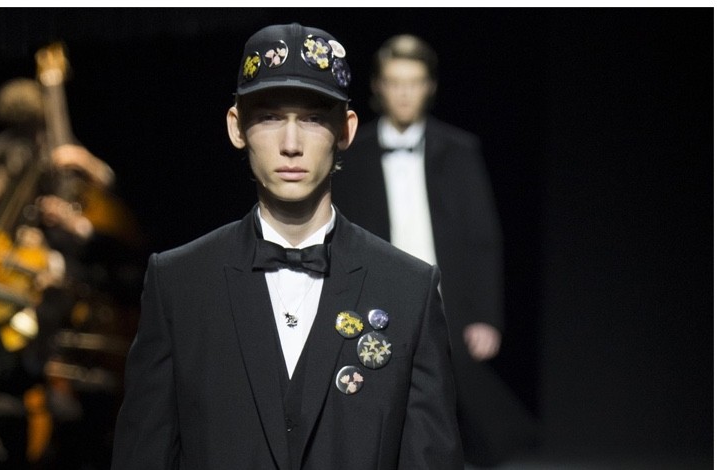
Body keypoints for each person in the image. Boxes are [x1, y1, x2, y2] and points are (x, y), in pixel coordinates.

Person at [111, 23, 461, 469]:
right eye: (270, 117)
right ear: (237, 127)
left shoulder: (408, 289)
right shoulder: (179, 284)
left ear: (345, 130)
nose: (291, 145)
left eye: (313, 119)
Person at [333, 34, 537, 466]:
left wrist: (485, 315)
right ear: (378, 87)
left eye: (414, 82)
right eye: (395, 82)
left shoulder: (458, 150)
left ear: (429, 87)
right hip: (376, 300)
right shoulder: (352, 154)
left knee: (461, 419)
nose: (404, 93)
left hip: (448, 303)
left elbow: (482, 238)